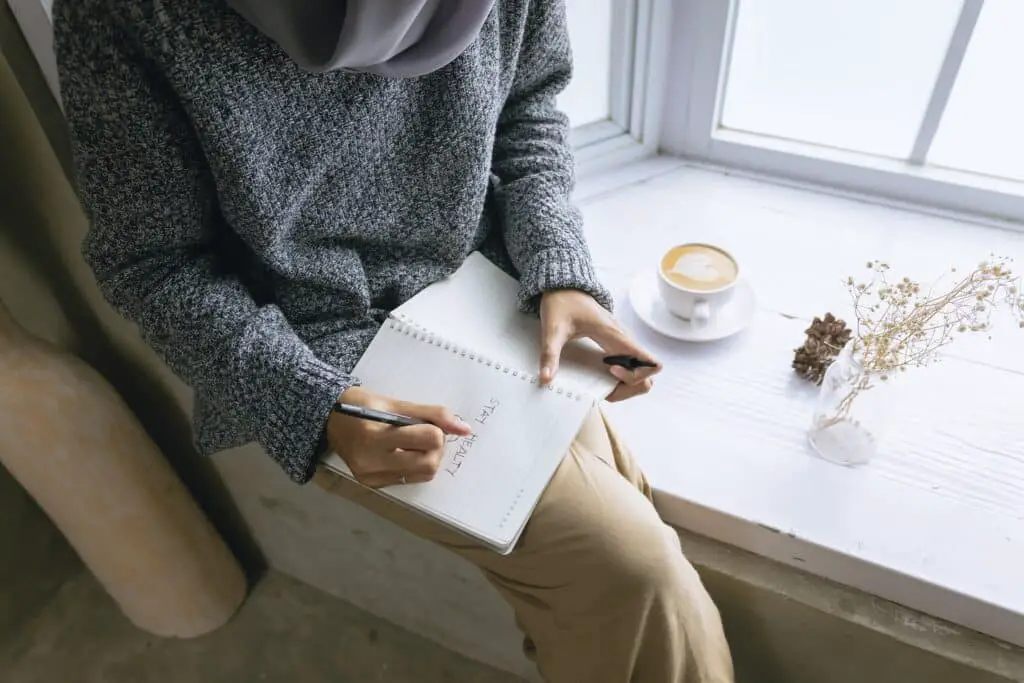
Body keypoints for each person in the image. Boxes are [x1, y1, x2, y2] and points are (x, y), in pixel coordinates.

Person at [54, 1, 734, 680]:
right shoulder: (124, 12)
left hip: (483, 281)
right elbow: (153, 264)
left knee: (617, 570)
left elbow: (528, 105)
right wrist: (313, 405)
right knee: (634, 572)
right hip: (320, 349)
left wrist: (560, 271)